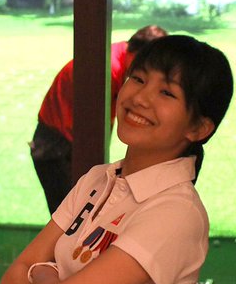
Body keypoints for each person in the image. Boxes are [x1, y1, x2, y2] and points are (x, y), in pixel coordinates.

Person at [2, 35, 234, 284]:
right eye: (138, 79)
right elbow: (13, 277)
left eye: (166, 92)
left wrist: (44, 273)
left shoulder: (175, 211)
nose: (140, 98)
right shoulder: (98, 179)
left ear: (198, 128)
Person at [30, 25, 168, 214]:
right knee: (70, 216)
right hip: (55, 144)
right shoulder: (108, 69)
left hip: (68, 137)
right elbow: (99, 126)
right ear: (137, 53)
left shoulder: (121, 57)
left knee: (80, 212)